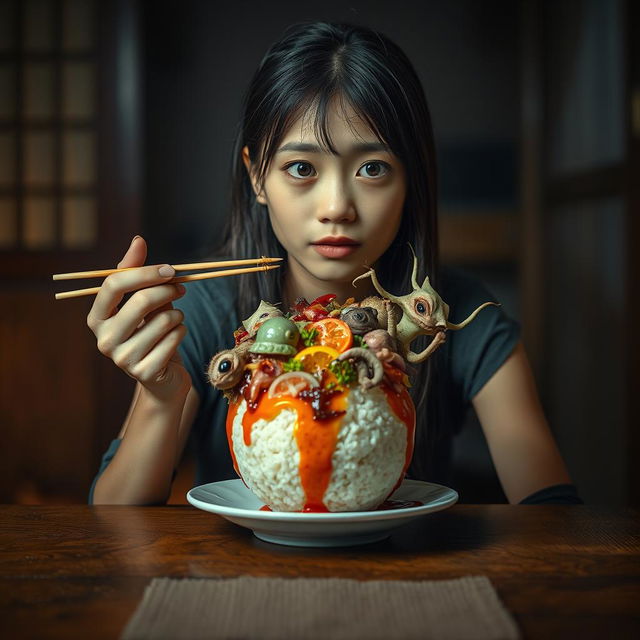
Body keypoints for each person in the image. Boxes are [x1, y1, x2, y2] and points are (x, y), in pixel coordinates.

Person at [88, 21, 581, 506]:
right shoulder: (204, 312)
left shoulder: (461, 316)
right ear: (257, 177)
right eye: (301, 168)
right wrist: (159, 398)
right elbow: (113, 520)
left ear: (411, 181)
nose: (337, 206)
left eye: (373, 168)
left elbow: (550, 512)